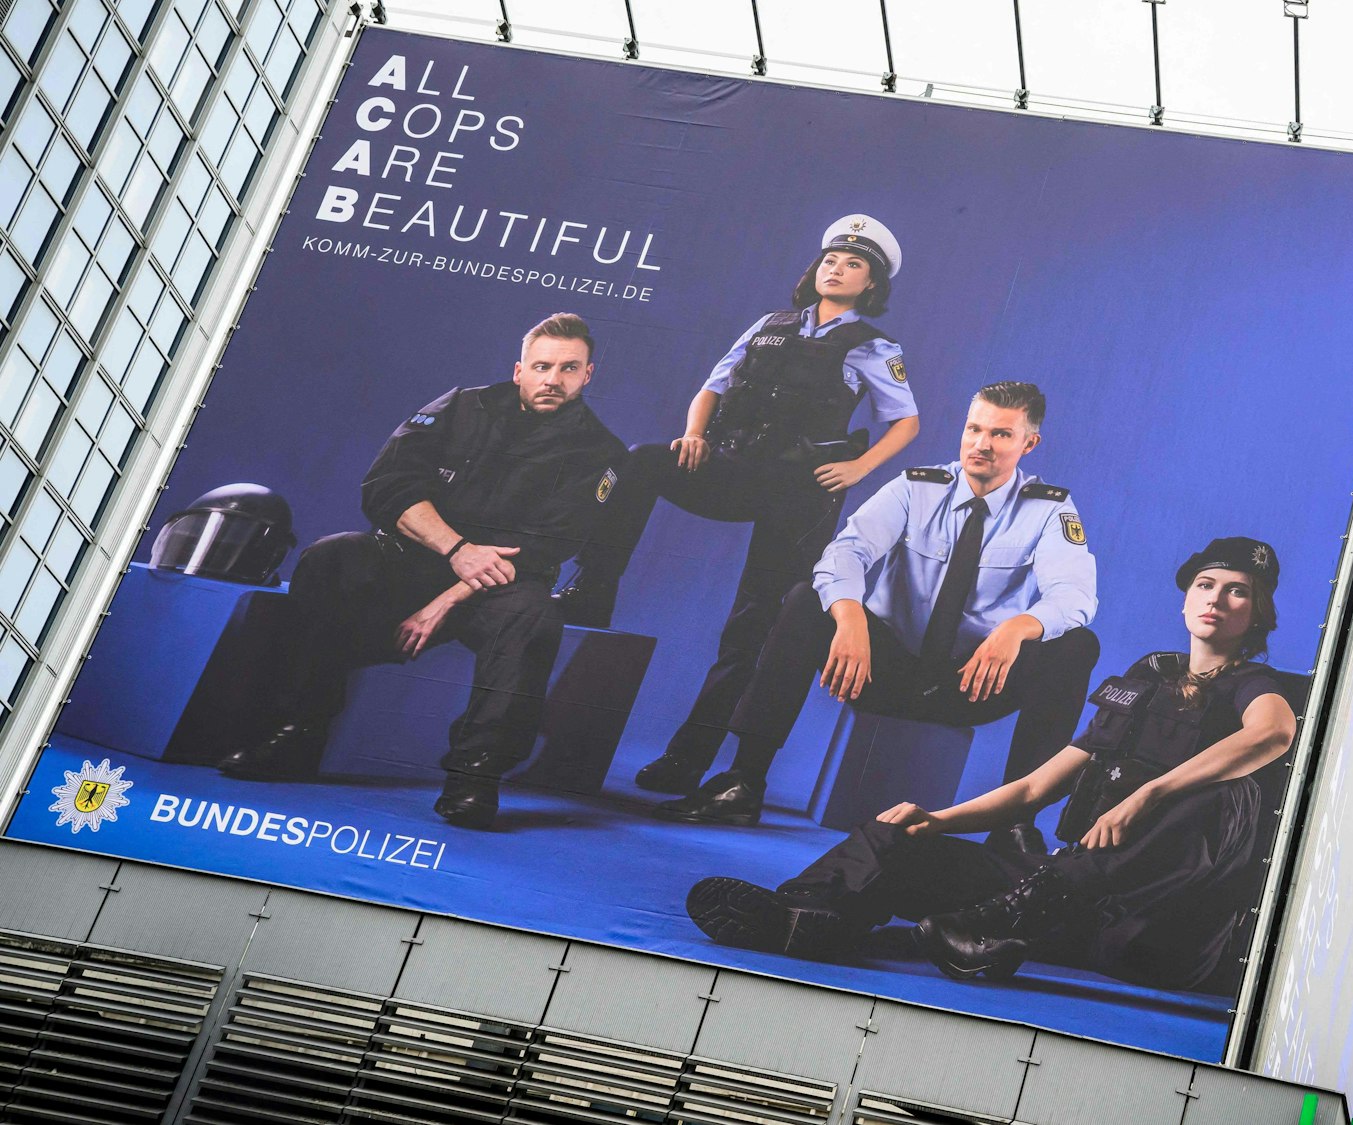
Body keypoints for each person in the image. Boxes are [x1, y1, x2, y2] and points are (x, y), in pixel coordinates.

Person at [684, 536, 1299, 992]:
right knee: (903, 831)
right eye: (1206, 585)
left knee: (1215, 794)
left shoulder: (1257, 685)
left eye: (1237, 590)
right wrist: (942, 819)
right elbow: (1035, 788)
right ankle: (795, 915)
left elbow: (1274, 732)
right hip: (1044, 889)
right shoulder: (1147, 678)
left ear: (1259, 612)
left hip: (1134, 917)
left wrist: (1151, 793)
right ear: (1187, 597)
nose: (1216, 599)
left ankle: (979, 927)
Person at [213, 313, 628, 830]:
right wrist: (455, 548)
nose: (553, 379)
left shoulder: (602, 453)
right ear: (519, 369)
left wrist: (444, 600)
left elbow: (545, 547)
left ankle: (475, 776)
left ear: (588, 375)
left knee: (533, 618)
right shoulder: (460, 407)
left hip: (501, 586)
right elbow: (387, 486)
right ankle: (298, 732)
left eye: (569, 368)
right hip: (412, 560)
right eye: (542, 366)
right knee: (331, 556)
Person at [555, 216, 922, 797]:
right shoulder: (769, 325)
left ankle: (688, 759)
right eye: (831, 259)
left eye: (855, 265)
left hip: (799, 491)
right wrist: (695, 434)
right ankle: (594, 584)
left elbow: (907, 421)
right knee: (644, 461)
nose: (838, 268)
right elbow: (713, 387)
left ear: (871, 286)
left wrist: (857, 468)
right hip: (736, 468)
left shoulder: (873, 346)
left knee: (750, 624)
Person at [657, 381, 1099, 840]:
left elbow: (1074, 596)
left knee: (1075, 645)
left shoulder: (1049, 509)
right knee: (807, 601)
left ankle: (1015, 822)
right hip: (878, 669)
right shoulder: (916, 487)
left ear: (1030, 443)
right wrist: (850, 617)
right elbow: (845, 554)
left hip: (971, 681)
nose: (981, 445)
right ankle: (743, 782)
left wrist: (1017, 628)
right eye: (973, 429)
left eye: (1001, 434)